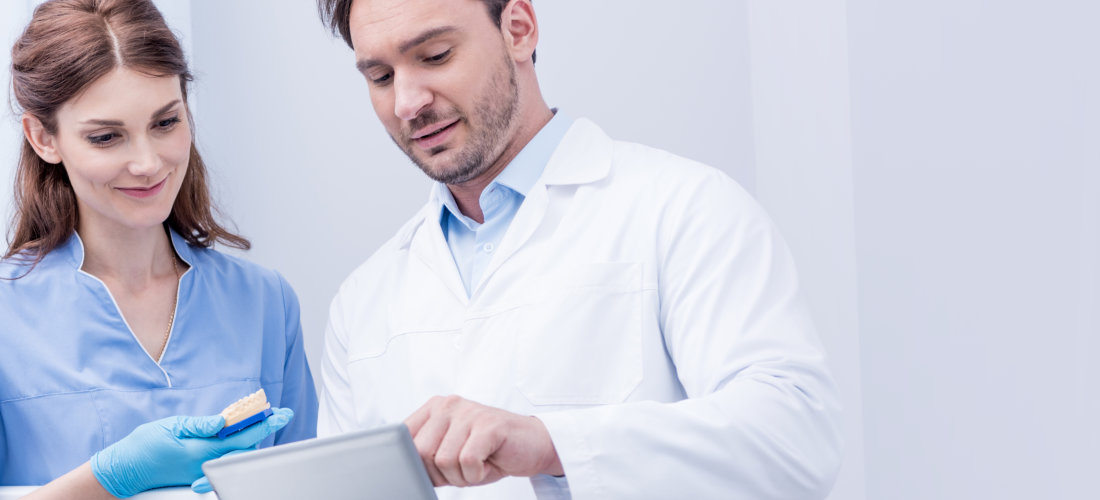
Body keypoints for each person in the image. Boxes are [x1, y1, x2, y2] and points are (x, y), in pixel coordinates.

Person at [311, 0, 842, 498]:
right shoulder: (362, 300)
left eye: (435, 56)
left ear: (518, 30)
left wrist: (553, 445)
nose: (407, 103)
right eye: (380, 77)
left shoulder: (684, 208)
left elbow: (794, 440)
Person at [0, 1, 316, 498]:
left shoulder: (263, 303)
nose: (148, 163)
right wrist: (106, 479)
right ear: (44, 138)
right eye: (107, 137)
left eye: (166, 123)